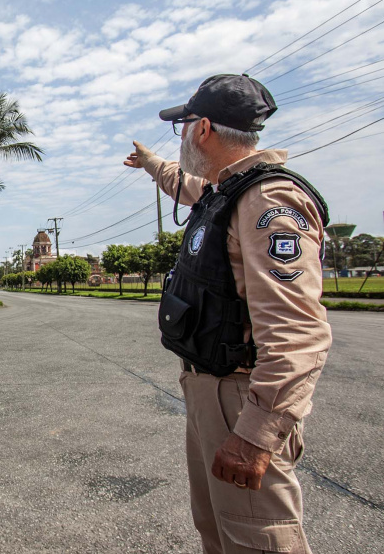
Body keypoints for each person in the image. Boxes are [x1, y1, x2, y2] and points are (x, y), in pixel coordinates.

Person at [124, 74, 330, 554]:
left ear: (203, 130)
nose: (180, 137)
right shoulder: (228, 190)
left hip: (243, 396)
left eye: (184, 126)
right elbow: (183, 183)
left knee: (257, 539)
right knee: (218, 531)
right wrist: (152, 164)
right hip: (209, 387)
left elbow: (298, 332)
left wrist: (256, 435)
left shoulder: (269, 200)